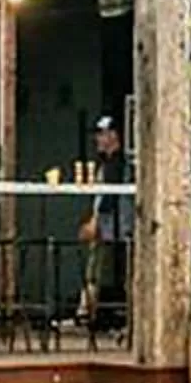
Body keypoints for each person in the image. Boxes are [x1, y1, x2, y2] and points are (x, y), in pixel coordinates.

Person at [77, 117, 129, 340]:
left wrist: (95, 223)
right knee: (96, 268)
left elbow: (109, 198)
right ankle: (87, 311)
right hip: (110, 226)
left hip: (116, 228)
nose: (97, 139)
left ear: (114, 137)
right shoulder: (106, 163)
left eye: (102, 134)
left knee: (97, 270)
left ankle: (88, 312)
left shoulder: (117, 164)